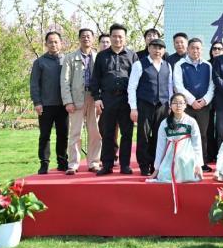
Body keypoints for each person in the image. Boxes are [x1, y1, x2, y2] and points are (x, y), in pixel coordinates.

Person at [91, 23, 138, 175]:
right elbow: (95, 79)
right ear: (110, 37)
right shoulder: (102, 56)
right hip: (107, 99)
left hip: (126, 100)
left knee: (127, 134)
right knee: (108, 134)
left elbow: (137, 79)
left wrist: (135, 104)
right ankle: (107, 165)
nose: (117, 39)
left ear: (125, 38)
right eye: (114, 36)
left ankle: (125, 165)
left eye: (120, 37)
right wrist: (97, 98)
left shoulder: (132, 55)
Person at [149, 93, 203, 214]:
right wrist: (156, 168)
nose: (178, 105)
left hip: (187, 153)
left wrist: (198, 164)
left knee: (182, 159)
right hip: (170, 154)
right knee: (165, 175)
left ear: (185, 105)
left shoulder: (191, 121)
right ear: (170, 105)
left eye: (181, 103)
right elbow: (160, 147)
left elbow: (197, 144)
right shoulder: (165, 123)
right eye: (175, 103)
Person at [128, 38, 172, 176]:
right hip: (144, 104)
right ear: (149, 48)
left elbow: (170, 86)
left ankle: (157, 165)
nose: (157, 50)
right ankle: (144, 165)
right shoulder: (139, 64)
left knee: (161, 136)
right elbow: (132, 87)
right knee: (144, 136)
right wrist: (133, 108)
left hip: (163, 106)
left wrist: (170, 104)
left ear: (163, 50)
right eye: (154, 47)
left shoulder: (167, 65)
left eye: (160, 48)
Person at [61, 28, 102, 174]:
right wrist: (68, 101)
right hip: (76, 97)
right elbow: (64, 81)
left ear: (93, 39)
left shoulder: (98, 57)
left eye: (89, 36)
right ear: (79, 39)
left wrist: (100, 99)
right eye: (83, 36)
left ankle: (94, 162)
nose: (86, 38)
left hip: (94, 97)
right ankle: (73, 164)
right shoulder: (70, 58)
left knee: (95, 132)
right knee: (75, 132)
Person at [30, 31, 69, 174]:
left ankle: (62, 162)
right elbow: (34, 84)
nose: (53, 44)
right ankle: (44, 163)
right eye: (50, 42)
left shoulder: (67, 60)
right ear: (46, 44)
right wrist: (37, 102)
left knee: (63, 135)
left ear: (61, 43)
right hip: (45, 105)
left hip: (64, 105)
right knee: (45, 135)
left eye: (56, 41)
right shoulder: (39, 62)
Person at [174, 37, 215, 172]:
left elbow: (212, 85)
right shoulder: (180, 64)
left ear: (202, 50)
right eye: (192, 48)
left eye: (198, 48)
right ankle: (185, 163)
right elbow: (178, 85)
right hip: (187, 106)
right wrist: (191, 101)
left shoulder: (208, 65)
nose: (195, 50)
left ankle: (201, 163)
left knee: (202, 135)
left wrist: (205, 100)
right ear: (188, 49)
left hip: (203, 106)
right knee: (185, 134)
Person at [206, 41, 223, 162]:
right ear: (211, 51)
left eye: (219, 49)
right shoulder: (206, 64)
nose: (217, 51)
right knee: (208, 127)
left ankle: (220, 152)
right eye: (214, 48)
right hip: (208, 99)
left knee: (221, 128)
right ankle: (209, 153)